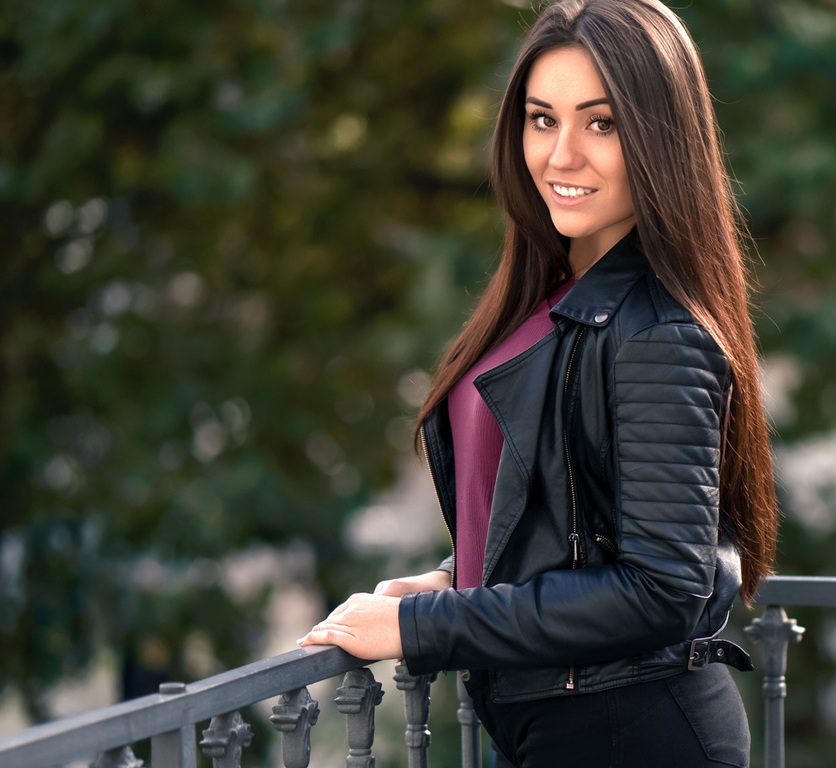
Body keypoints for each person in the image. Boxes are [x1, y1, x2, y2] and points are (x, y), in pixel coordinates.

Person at [298, 1, 779, 765]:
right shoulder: (554, 298)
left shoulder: (658, 333)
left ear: (660, 138)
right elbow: (571, 502)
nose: (561, 156)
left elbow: (661, 588)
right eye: (541, 119)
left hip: (633, 732)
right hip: (555, 721)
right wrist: (461, 580)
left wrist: (426, 630)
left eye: (601, 123)